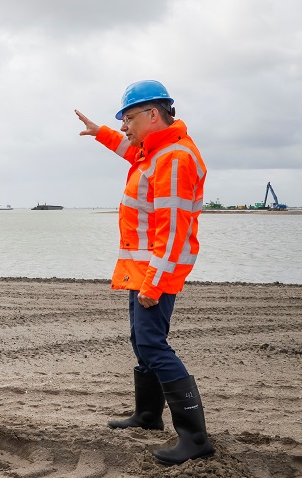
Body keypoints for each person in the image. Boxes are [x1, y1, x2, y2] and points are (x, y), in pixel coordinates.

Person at [75, 80, 214, 465]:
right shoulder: (157, 153)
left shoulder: (175, 159)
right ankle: (148, 415)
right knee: (142, 342)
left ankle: (195, 438)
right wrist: (99, 132)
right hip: (142, 270)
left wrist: (154, 284)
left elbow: (173, 231)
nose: (123, 126)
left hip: (155, 273)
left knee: (154, 346)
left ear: (153, 115)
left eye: (128, 117)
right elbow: (132, 153)